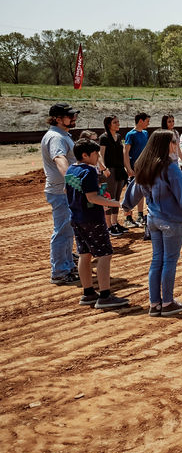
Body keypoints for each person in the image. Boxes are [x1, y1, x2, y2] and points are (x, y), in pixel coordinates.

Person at [122, 129, 182, 316]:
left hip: (153, 220)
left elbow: (135, 189)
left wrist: (126, 205)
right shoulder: (171, 168)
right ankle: (167, 303)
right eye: (174, 142)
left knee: (157, 260)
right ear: (167, 144)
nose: (176, 145)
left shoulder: (144, 165)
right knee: (169, 261)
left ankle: (155, 304)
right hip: (171, 221)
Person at [65, 139, 129, 308]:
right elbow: (92, 197)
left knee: (84, 254)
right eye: (95, 154)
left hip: (77, 217)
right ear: (85, 155)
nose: (98, 156)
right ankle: (105, 295)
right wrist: (117, 204)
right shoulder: (89, 171)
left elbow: (68, 190)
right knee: (104, 255)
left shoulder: (71, 170)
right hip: (92, 218)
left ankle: (88, 293)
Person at [42, 103, 80, 285]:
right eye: (70, 116)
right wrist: (72, 182)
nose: (74, 118)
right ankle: (59, 272)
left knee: (68, 230)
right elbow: (60, 159)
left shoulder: (62, 135)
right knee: (62, 232)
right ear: (57, 119)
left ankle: (68, 265)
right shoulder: (56, 137)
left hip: (61, 190)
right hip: (61, 190)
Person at [99, 115, 128, 236]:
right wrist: (104, 170)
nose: (118, 124)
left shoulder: (119, 137)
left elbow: (123, 154)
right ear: (108, 124)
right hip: (109, 171)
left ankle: (115, 223)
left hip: (119, 170)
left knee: (116, 197)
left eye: (118, 122)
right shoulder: (104, 138)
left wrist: (127, 168)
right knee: (109, 197)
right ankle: (108, 226)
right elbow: (101, 155)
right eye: (115, 122)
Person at [123, 112, 150, 228]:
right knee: (131, 192)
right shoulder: (131, 134)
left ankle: (140, 215)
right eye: (147, 121)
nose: (148, 124)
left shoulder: (145, 133)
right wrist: (128, 168)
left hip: (144, 167)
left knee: (142, 191)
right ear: (140, 121)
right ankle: (128, 217)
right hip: (134, 168)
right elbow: (126, 152)